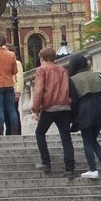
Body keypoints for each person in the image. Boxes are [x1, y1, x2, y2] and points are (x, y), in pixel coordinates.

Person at [31, 47, 77, 178]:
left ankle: (46, 162)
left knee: (40, 133)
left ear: (42, 59)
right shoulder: (63, 70)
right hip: (64, 107)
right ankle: (69, 168)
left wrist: (35, 108)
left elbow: (39, 90)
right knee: (65, 137)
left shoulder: (41, 70)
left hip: (50, 106)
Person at [70, 55, 101, 179]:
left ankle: (92, 169)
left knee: (87, 140)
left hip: (85, 110)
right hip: (100, 108)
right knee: (93, 139)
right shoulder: (96, 75)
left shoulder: (73, 79)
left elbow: (74, 99)